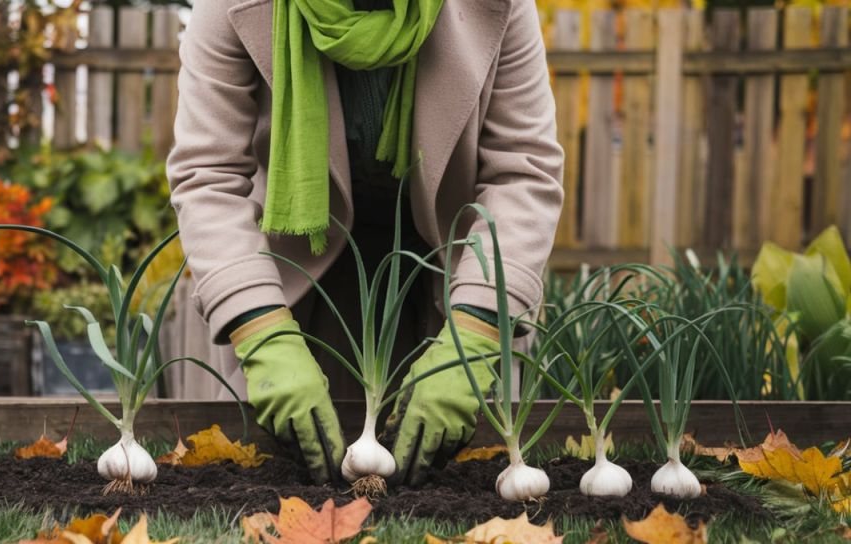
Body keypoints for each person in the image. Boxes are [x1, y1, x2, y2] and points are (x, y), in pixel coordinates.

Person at [166, 0, 564, 486]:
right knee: (269, 485)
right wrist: (263, 333)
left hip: (447, 283)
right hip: (290, 282)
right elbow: (208, 176)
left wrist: (476, 335)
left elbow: (523, 172)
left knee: (452, 484)